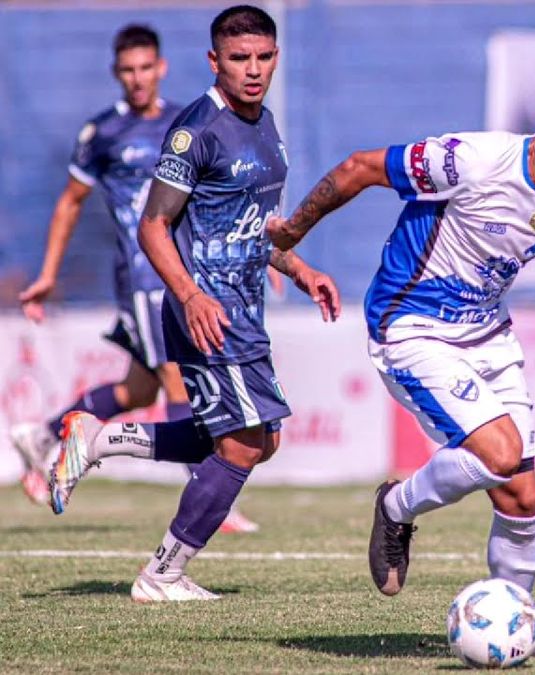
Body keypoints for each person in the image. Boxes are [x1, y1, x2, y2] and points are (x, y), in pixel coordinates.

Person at [267, 80, 535, 609]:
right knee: (500, 452)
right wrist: (292, 233)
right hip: (411, 326)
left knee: (523, 496)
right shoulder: (472, 161)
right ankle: (397, 506)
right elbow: (360, 167)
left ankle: (515, 621)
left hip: (487, 335)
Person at [46, 5, 340, 602]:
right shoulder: (196, 130)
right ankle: (163, 574)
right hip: (204, 308)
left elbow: (249, 223)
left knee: (256, 440)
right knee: (242, 444)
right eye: (238, 58)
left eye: (262, 57)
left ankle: (97, 440)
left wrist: (300, 267)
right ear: (215, 61)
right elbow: (153, 226)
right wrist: (190, 294)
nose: (252, 69)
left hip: (243, 305)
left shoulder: (266, 123)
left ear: (275, 58)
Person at [9, 24, 259, 534]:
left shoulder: (183, 123)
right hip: (144, 278)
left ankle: (45, 438)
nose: (138, 78)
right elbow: (69, 203)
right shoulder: (102, 134)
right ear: (116, 74)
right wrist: (49, 274)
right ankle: (208, 492)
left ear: (161, 68)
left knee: (137, 391)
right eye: (128, 70)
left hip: (184, 270)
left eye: (146, 67)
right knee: (176, 378)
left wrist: (258, 254)